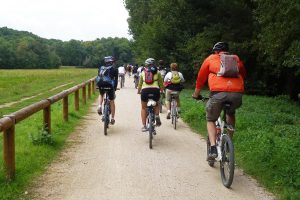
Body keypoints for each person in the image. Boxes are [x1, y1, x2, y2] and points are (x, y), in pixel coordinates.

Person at [192, 42, 246, 160]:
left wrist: (196, 94)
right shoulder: (235, 59)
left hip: (218, 94)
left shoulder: (211, 58)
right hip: (237, 94)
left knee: (210, 119)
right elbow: (243, 74)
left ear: (216, 51)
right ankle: (228, 143)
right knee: (230, 113)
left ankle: (212, 149)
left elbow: (201, 78)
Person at [137, 58, 164, 132]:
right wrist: (162, 91)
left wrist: (139, 91)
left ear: (146, 64)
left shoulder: (143, 72)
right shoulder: (157, 72)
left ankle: (144, 126)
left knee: (143, 108)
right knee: (157, 104)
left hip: (145, 91)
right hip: (155, 90)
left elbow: (140, 84)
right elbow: (161, 84)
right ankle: (157, 116)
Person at [96, 56, 119, 124]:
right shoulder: (114, 69)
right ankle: (112, 118)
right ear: (112, 62)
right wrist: (114, 88)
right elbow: (116, 80)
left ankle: (99, 106)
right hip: (109, 86)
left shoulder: (101, 68)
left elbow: (99, 77)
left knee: (101, 94)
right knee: (112, 101)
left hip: (101, 85)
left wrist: (98, 86)